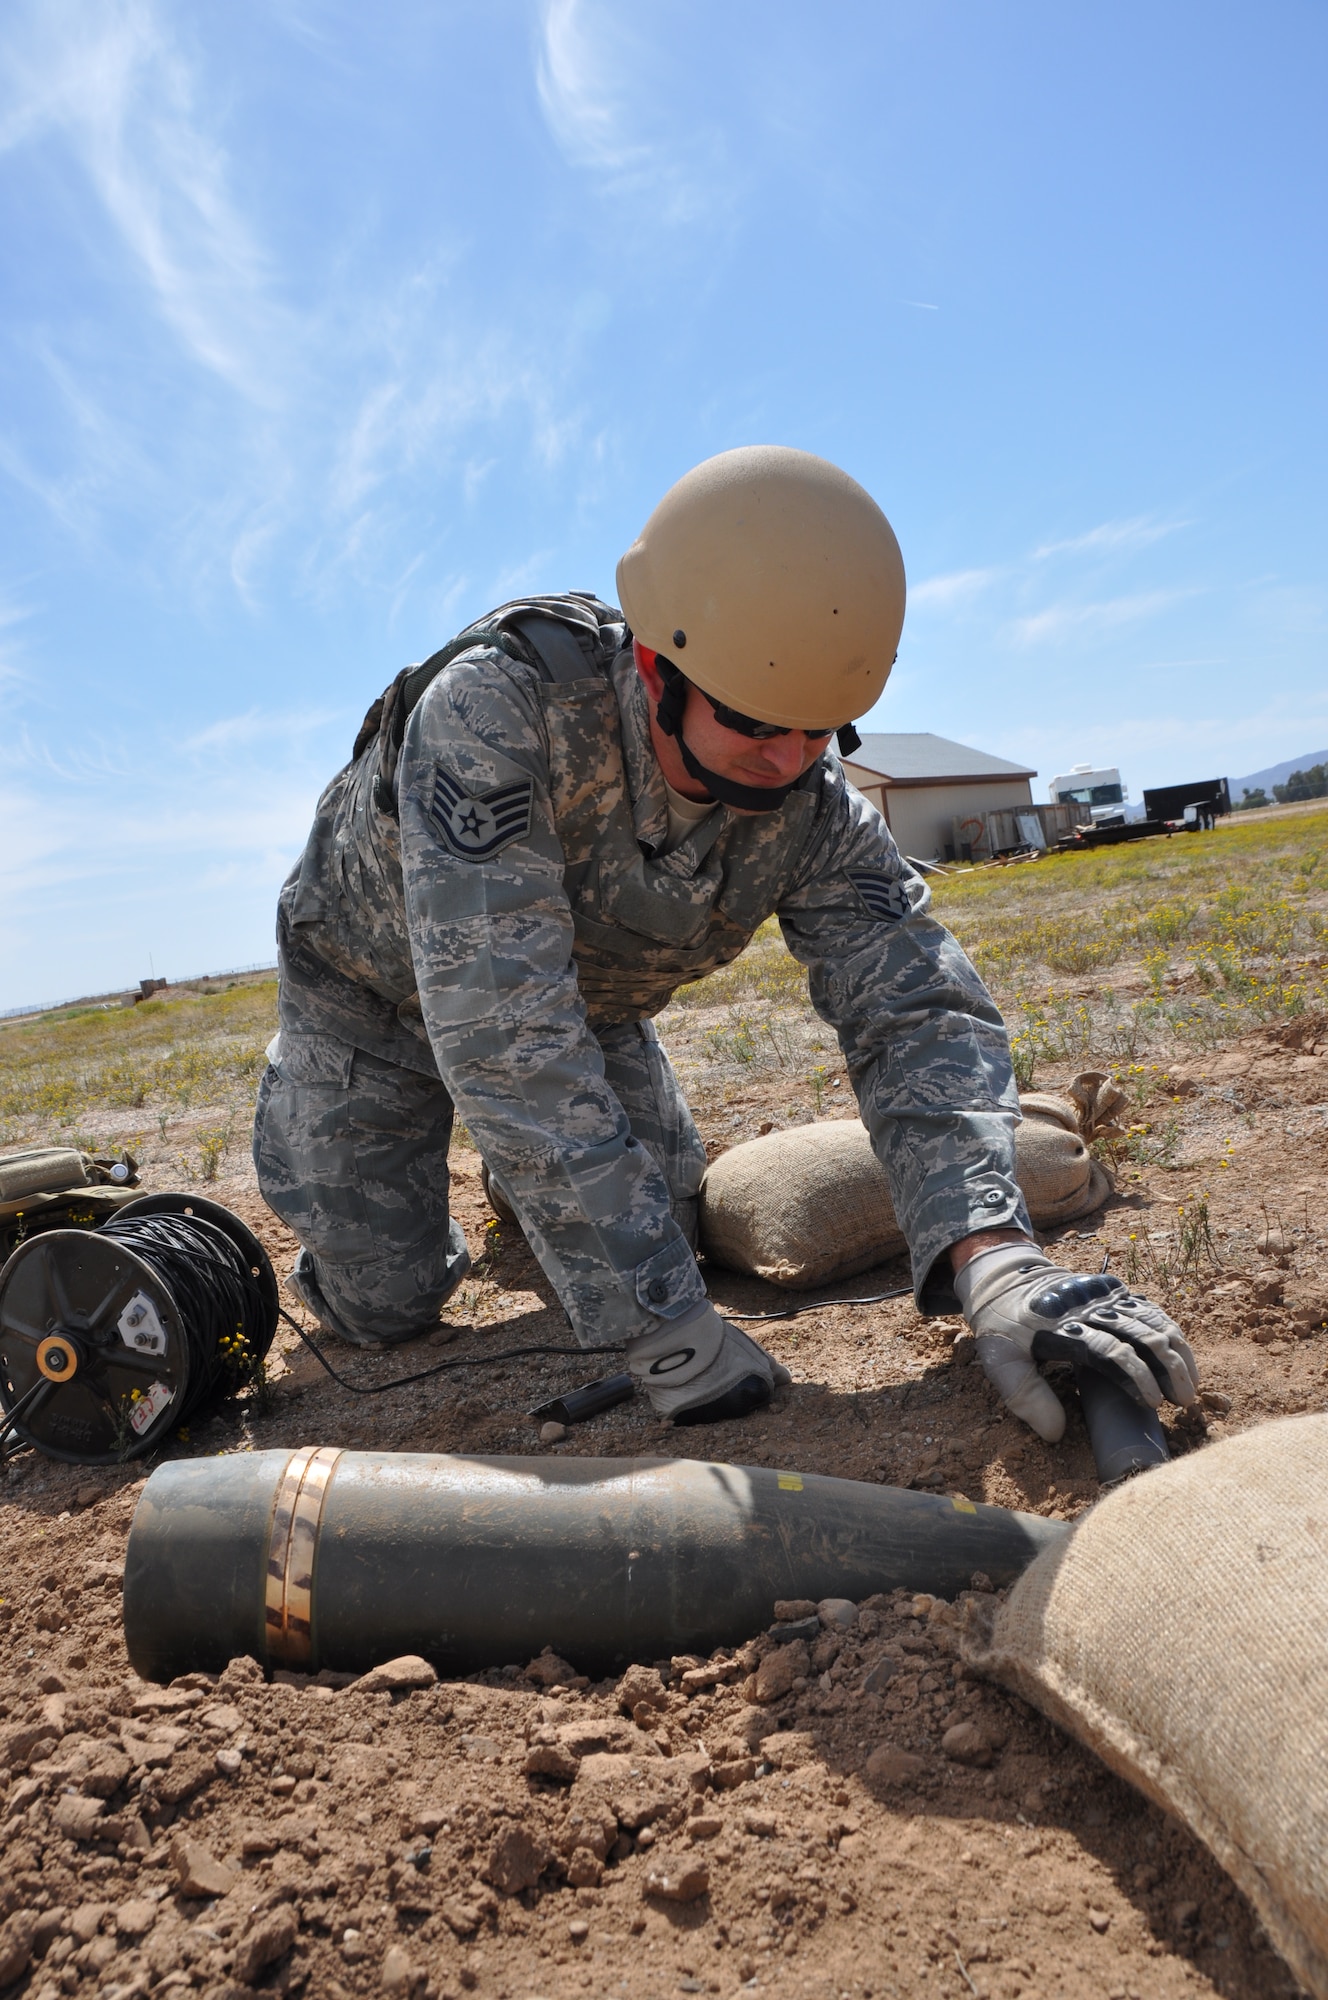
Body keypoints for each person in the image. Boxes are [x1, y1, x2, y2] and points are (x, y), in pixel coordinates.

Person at [254, 446, 1198, 1438]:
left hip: (587, 1008)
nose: (788, 758)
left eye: (820, 729)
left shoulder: (807, 801)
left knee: (667, 1224)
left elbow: (913, 1002)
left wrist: (994, 1252)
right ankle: (320, 1101)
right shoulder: (499, 710)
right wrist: (661, 1324)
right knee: (386, 1304)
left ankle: (528, 1191)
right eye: (753, 722)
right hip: (375, 1001)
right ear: (659, 666)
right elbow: (502, 1035)